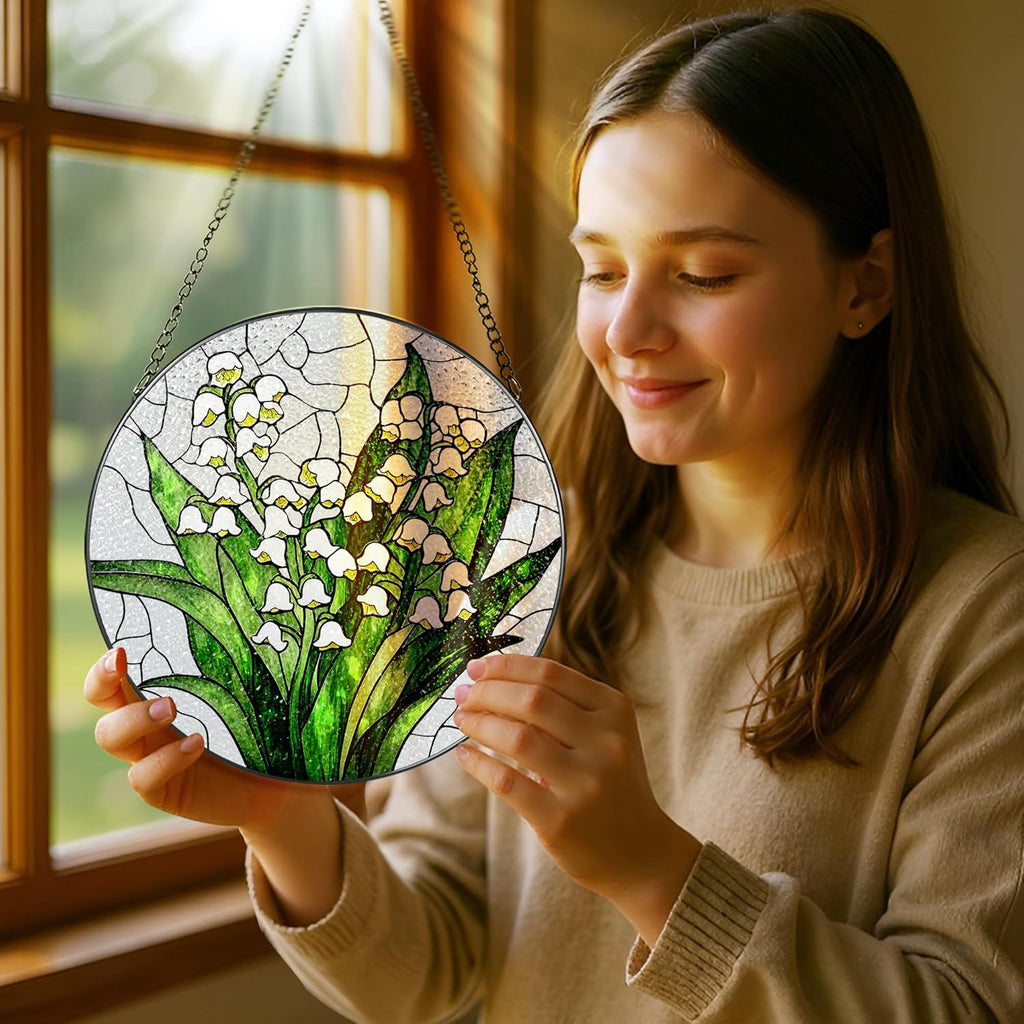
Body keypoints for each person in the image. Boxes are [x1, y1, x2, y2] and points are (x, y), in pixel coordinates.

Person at [85, 7, 1024, 1022]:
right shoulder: (514, 562)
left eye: (704, 273)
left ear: (866, 283)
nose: (625, 331)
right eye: (603, 268)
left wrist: (650, 869)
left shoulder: (983, 614)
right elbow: (424, 970)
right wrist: (283, 820)